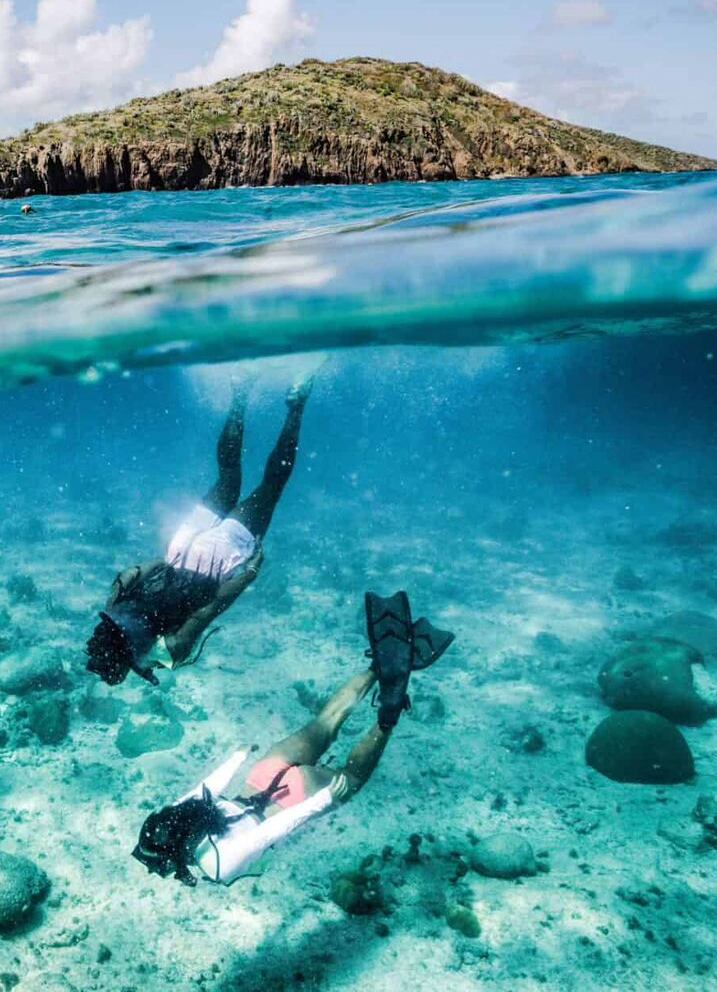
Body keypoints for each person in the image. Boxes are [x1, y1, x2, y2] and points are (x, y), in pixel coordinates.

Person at [131, 590, 454, 886]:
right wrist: (238, 759)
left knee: (354, 776)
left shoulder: (217, 867)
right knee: (326, 722)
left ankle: (388, 715)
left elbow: (270, 831)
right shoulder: (175, 814)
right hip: (261, 774)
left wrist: (321, 802)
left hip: (291, 799)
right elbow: (206, 789)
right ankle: (377, 665)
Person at [84, 378, 311, 686]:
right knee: (229, 477)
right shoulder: (113, 606)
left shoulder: (167, 652)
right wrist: (166, 564)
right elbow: (132, 573)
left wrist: (248, 576)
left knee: (270, 488)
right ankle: (240, 395)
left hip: (213, 562)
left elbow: (209, 609)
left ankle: (297, 406)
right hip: (181, 548)